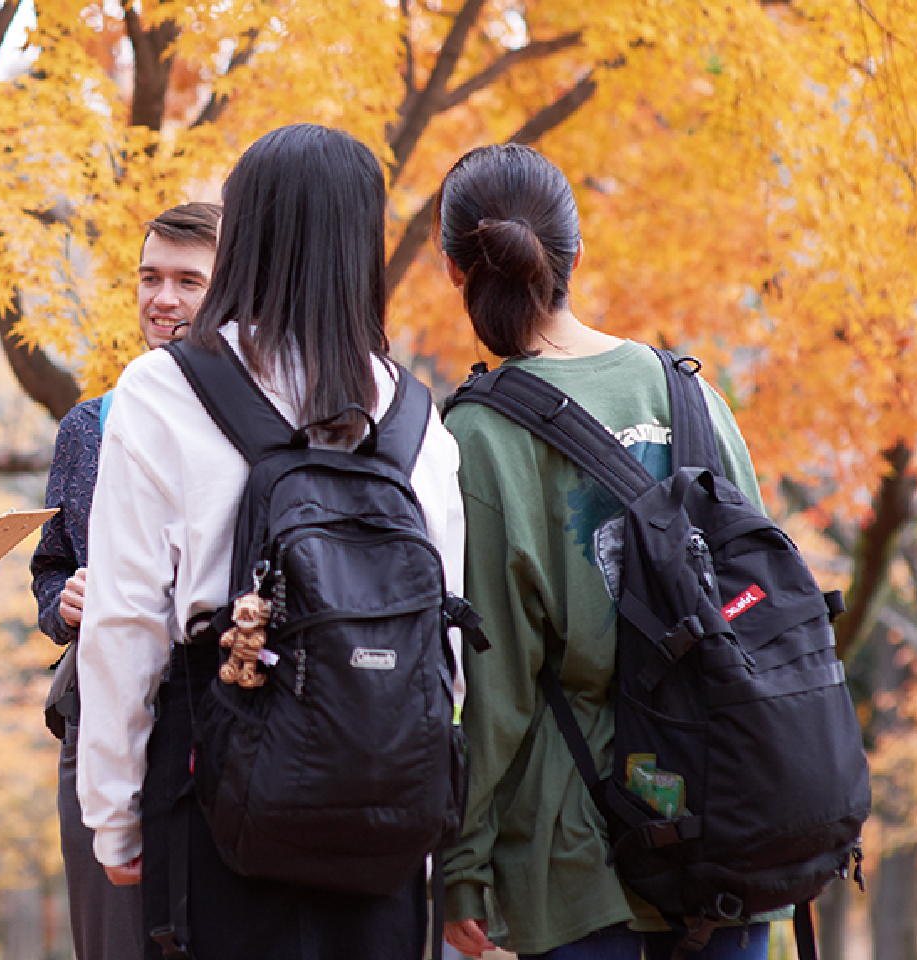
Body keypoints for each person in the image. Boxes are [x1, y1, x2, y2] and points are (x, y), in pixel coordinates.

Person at [74, 124, 465, 958]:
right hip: (383, 795)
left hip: (217, 779)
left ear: (244, 233)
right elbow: (446, 646)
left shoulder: (164, 387)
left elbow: (124, 617)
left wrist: (114, 811)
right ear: (363, 241)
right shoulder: (415, 415)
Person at [434, 143, 778, 960]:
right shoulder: (693, 393)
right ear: (575, 256)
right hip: (730, 826)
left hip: (582, 850)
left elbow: (499, 682)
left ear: (453, 270)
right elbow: (762, 605)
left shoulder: (482, 434)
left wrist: (462, 867)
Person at [32, 201, 220, 960]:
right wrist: (62, 601)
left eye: (188, 281)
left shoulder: (266, 420)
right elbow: (51, 563)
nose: (162, 300)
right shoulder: (89, 425)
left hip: (223, 715)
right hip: (103, 716)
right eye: (150, 278)